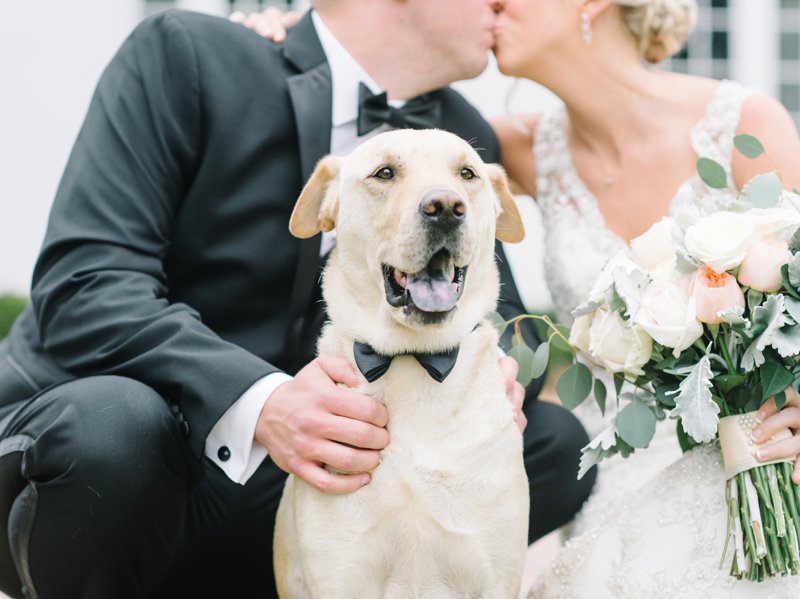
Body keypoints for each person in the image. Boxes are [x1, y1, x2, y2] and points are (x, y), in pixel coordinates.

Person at [241, 0, 800, 597]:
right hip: (625, 458)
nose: (489, 6)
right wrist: (283, 44)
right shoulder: (517, 145)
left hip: (769, 441)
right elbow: (401, 161)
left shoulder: (746, 121)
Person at [0, 1, 598, 597]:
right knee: (115, 427)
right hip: (106, 462)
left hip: (284, 481)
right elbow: (85, 283)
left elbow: (505, 312)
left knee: (549, 440)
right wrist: (265, 402)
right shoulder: (187, 53)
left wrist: (501, 374)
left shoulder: (455, 131)